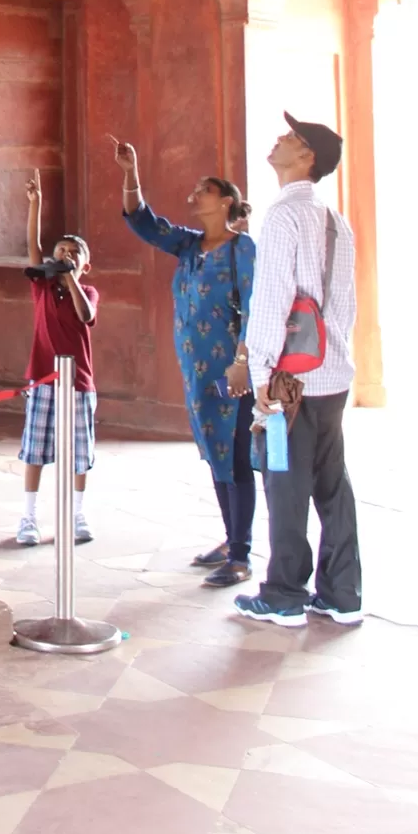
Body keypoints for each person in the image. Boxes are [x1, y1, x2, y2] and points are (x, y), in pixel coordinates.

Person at [234, 111, 362, 629]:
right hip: (332, 374)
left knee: (285, 484)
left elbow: (271, 300)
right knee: (333, 485)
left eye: (291, 137)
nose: (280, 139)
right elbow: (345, 304)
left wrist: (260, 370)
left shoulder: (284, 217)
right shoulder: (337, 222)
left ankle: (285, 593)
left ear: (307, 157)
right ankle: (341, 592)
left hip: (290, 381)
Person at [111, 138, 257, 588]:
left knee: (235, 457)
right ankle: (230, 538)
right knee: (215, 455)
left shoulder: (242, 249)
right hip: (196, 370)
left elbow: (255, 307)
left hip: (233, 369)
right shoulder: (190, 246)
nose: (194, 195)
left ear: (225, 201)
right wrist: (130, 173)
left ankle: (242, 554)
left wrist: (244, 361)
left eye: (203, 190)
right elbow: (145, 224)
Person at [17, 166, 99, 547]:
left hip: (78, 381)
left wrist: (71, 277)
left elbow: (85, 316)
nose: (66, 255)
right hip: (43, 377)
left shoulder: (88, 291)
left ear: (86, 264)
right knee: (35, 447)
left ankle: (77, 514)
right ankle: (28, 517)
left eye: (74, 252)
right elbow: (33, 248)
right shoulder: (42, 287)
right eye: (61, 251)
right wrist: (36, 205)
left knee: (79, 451)